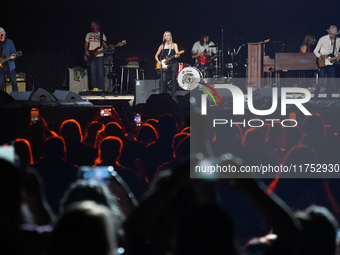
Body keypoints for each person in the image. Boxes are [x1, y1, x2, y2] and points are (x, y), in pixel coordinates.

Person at [313, 25, 340, 99]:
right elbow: (315, 51)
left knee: (331, 80)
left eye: (335, 34)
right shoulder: (323, 39)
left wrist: (337, 57)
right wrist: (321, 56)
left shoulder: (338, 40)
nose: (333, 35)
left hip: (332, 62)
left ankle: (329, 98)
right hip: (323, 62)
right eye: (332, 34)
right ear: (329, 33)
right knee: (321, 80)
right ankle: (315, 97)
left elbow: (336, 52)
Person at [155, 31, 180, 100]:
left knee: (173, 80)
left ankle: (174, 98)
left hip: (173, 63)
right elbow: (156, 55)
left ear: (170, 36)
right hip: (165, 65)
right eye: (165, 35)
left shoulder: (174, 45)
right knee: (164, 80)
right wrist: (158, 62)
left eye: (168, 35)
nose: (167, 37)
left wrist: (177, 55)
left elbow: (177, 54)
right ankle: (163, 98)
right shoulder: (162, 46)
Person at [84, 21, 109, 91]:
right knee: (93, 73)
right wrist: (86, 50)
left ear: (97, 26)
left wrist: (109, 47)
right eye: (91, 25)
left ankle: (100, 88)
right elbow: (86, 44)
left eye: (94, 25)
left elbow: (105, 46)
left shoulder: (102, 35)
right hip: (91, 56)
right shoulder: (88, 34)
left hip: (100, 55)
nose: (92, 26)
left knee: (100, 73)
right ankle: (94, 89)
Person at [0, 27, 18, 93]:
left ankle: (16, 98)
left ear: (4, 34)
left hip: (9, 66)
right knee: (0, 85)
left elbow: (14, 52)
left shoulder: (9, 42)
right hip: (0, 67)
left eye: (1, 33)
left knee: (14, 83)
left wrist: (13, 56)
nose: (0, 35)